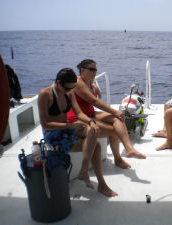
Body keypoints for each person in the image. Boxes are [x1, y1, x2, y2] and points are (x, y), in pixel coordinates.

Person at [38, 68, 117, 197]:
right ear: (58, 82)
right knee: (96, 146)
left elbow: (79, 113)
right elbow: (45, 124)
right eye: (67, 88)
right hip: (53, 134)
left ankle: (84, 171)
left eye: (72, 88)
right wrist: (69, 125)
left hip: (68, 129)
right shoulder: (45, 95)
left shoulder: (69, 93)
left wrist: (91, 122)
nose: (70, 91)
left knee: (92, 129)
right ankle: (98, 182)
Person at [67, 59, 146, 169]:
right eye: (92, 69)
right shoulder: (78, 83)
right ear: (82, 70)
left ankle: (129, 150)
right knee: (115, 130)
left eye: (96, 69)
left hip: (90, 113)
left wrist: (94, 86)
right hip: (78, 118)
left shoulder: (89, 81)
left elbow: (90, 89)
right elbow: (94, 101)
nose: (94, 72)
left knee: (118, 119)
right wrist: (114, 111)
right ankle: (119, 158)